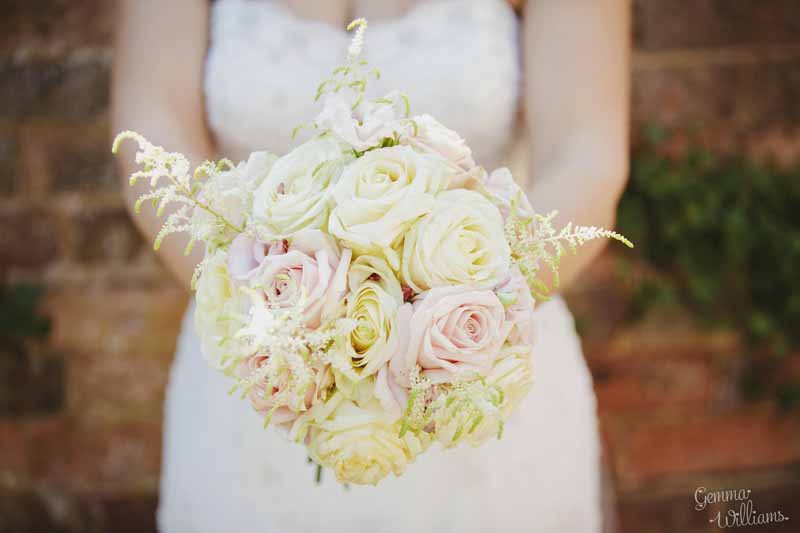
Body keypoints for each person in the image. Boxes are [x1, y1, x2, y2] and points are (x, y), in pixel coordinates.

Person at [112, 1, 629, 531]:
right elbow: (153, 138)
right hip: (261, 373)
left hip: (473, 367)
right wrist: (285, 325)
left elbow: (584, 158)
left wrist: (440, 328)